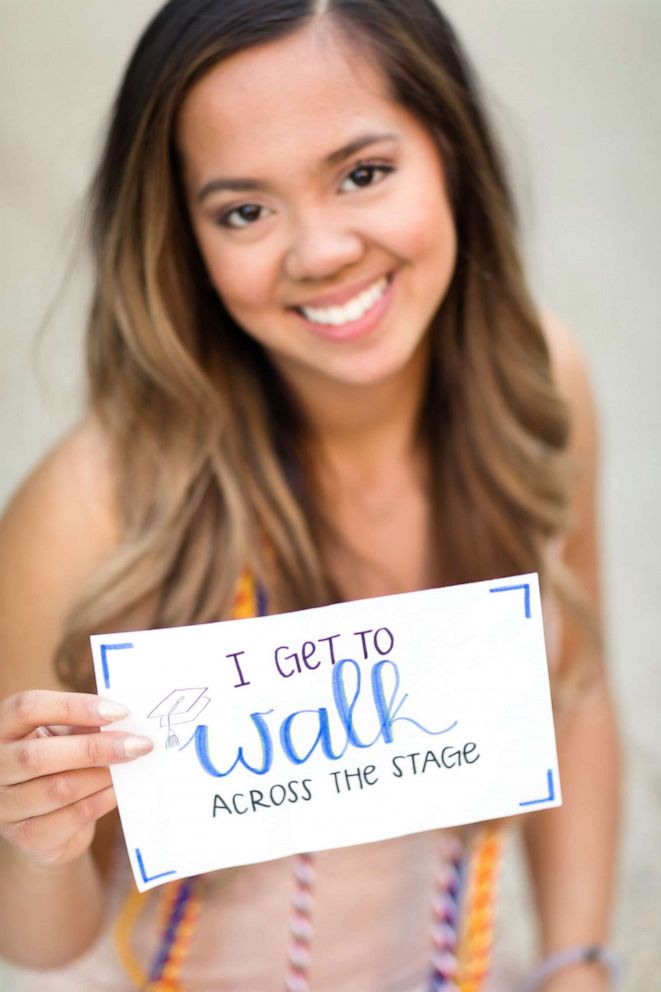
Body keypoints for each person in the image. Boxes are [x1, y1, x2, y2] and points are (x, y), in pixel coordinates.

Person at [0, 1, 620, 989]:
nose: (321, 250)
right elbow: (39, 939)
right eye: (244, 209)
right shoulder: (90, 510)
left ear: (451, 151)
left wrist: (576, 957)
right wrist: (40, 837)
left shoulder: (536, 387)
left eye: (363, 173)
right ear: (183, 238)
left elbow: (577, 692)